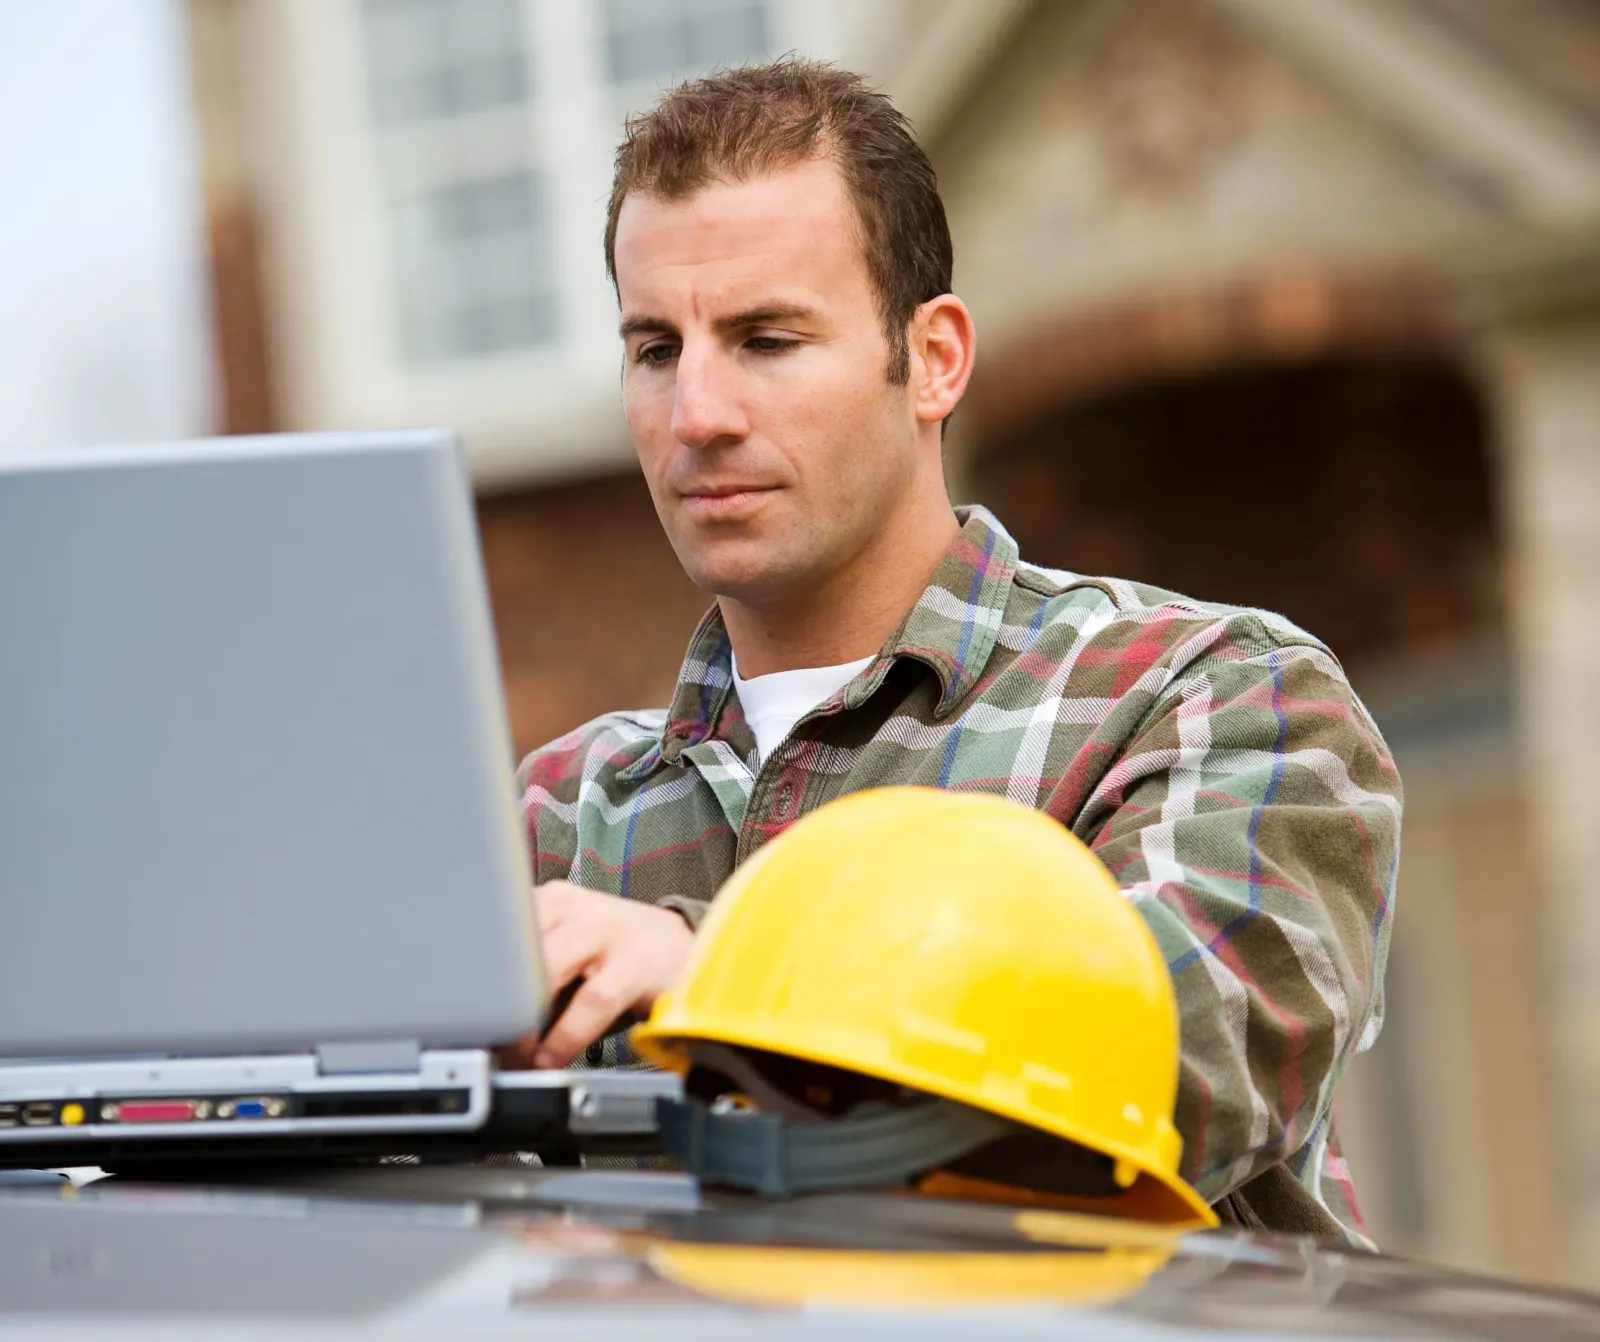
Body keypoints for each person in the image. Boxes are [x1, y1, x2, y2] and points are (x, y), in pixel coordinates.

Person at [499, 58, 1400, 1244]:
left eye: (766, 339)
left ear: (933, 360)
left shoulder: (1218, 699)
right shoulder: (551, 819)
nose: (698, 415)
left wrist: (714, 981)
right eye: (657, 349)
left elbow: (1163, 1074)